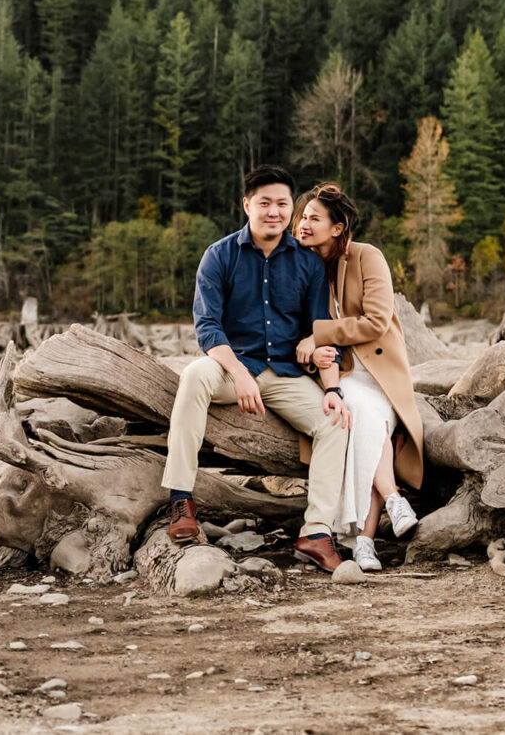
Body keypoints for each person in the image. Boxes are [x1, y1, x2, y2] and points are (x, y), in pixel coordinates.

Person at [162, 165, 352, 573]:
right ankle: (181, 501)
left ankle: (316, 532)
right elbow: (207, 327)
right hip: (233, 366)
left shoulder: (307, 264)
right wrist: (240, 373)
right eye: (264, 203)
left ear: (290, 209)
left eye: (282, 203)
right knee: (194, 376)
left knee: (335, 420)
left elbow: (320, 332)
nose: (274, 211)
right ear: (247, 205)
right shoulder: (219, 255)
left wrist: (333, 389)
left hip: (285, 374)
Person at [293, 182, 424, 571]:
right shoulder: (300, 265)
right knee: (362, 418)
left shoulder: (368, 257)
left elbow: (377, 321)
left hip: (380, 374)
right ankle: (384, 515)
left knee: (366, 418)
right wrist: (312, 350)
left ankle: (361, 539)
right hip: (340, 375)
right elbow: (291, 337)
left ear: (337, 227)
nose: (302, 223)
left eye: (314, 218)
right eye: (302, 217)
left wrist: (320, 333)